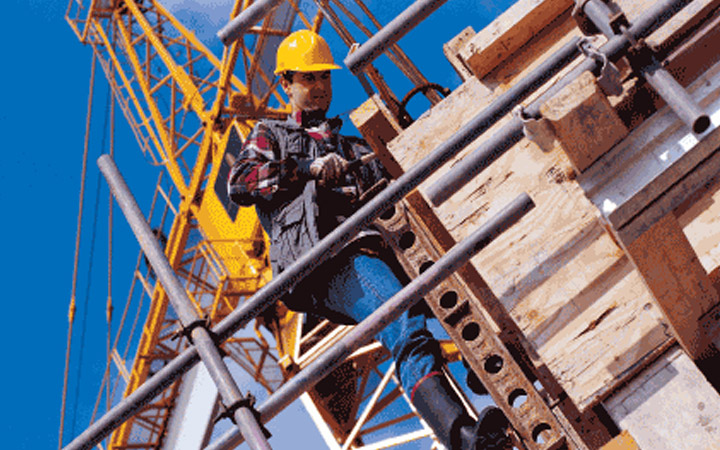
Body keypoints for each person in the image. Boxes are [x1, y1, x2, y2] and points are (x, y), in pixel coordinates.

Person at [228, 29, 510, 449]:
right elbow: (241, 181)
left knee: (464, 290)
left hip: (379, 247)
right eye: (308, 78)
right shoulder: (271, 135)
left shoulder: (350, 143)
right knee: (403, 322)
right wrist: (305, 170)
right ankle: (462, 437)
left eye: (324, 77)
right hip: (329, 259)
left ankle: (487, 374)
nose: (319, 87)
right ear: (285, 82)